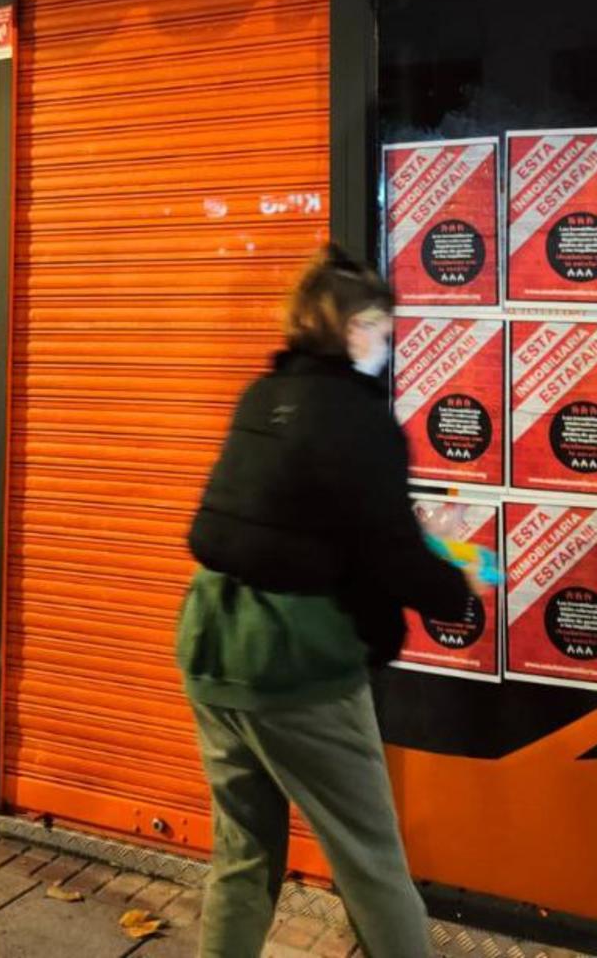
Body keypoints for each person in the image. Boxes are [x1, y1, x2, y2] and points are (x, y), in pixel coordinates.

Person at [177, 244, 474, 958]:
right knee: (371, 862)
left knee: (244, 852)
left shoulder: (264, 396)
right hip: (296, 663)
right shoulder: (358, 418)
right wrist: (456, 593)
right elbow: (391, 553)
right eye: (380, 326)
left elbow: (267, 519)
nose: (387, 342)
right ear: (351, 328)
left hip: (213, 642)